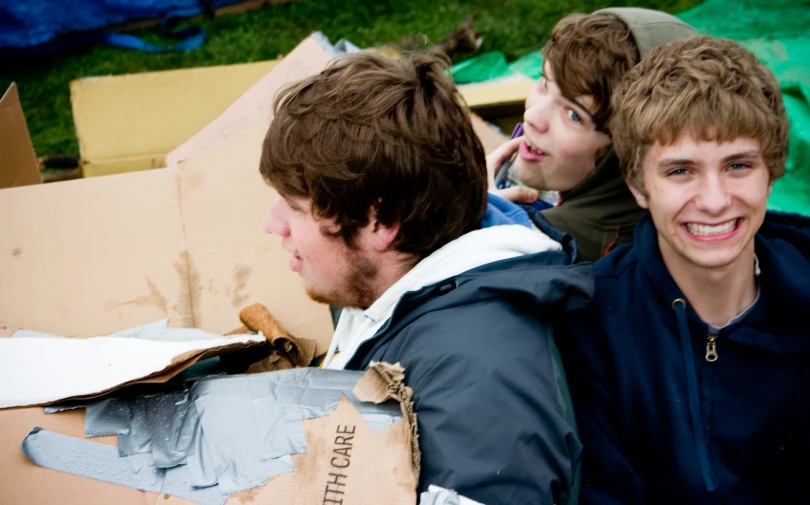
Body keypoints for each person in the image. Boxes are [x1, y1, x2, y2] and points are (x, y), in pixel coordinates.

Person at [259, 51, 593, 505]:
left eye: (296, 207)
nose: (272, 223)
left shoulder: (478, 406)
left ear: (382, 221)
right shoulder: (398, 279)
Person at [563, 35, 810, 504]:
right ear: (638, 185)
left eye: (738, 165)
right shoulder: (591, 329)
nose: (715, 201)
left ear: (772, 172)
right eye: (681, 171)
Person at [487, 8, 696, 262]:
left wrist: (485, 215)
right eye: (544, 83)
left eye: (574, 114)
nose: (532, 117)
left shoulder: (541, 245)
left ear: (624, 151)